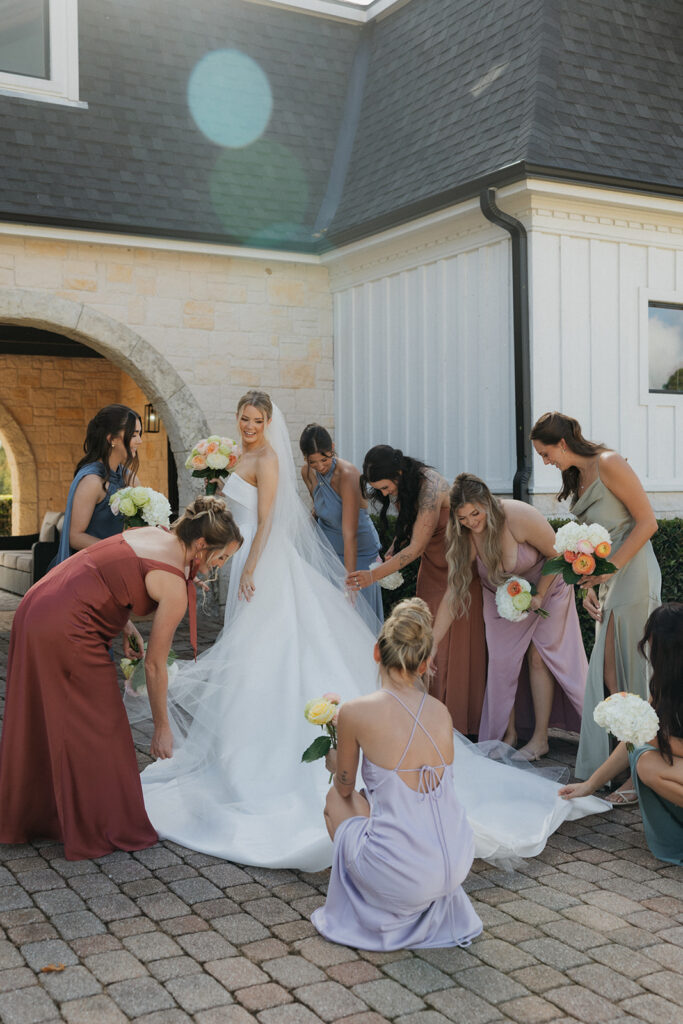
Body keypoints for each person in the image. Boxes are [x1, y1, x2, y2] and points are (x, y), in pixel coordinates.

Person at [136, 391, 382, 872]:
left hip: (263, 562)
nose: (249, 425)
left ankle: (270, 753)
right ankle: (237, 750)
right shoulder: (237, 454)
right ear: (238, 419)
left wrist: (251, 566)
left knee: (270, 648)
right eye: (244, 418)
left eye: (257, 419)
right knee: (251, 649)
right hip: (240, 556)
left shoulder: (267, 457)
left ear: (269, 421)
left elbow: (268, 518)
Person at [0, 496, 242, 861]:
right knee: (102, 726)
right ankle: (100, 824)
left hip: (39, 604)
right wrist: (162, 727)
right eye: (221, 559)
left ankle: (43, 814)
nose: (219, 568)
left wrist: (124, 623)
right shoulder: (175, 584)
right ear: (202, 546)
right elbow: (155, 666)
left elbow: (102, 571)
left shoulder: (154, 535)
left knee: (54, 719)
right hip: (66, 627)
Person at [311, 598, 483, 950]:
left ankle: (379, 910)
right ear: (425, 664)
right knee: (378, 804)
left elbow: (344, 790)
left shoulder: (356, 711)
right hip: (456, 862)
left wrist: (334, 762)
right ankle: (409, 892)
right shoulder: (441, 712)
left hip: (408, 875)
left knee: (333, 800)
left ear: (377, 652)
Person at [531, 412, 661, 793]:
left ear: (563, 444)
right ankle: (630, 757)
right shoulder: (578, 476)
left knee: (634, 670)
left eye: (545, 453)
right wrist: (590, 583)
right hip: (608, 577)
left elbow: (648, 522)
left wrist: (611, 569)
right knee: (609, 674)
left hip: (634, 572)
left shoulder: (608, 463)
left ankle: (641, 770)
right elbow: (597, 542)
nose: (546, 461)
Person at [433, 474, 587, 760]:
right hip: (500, 597)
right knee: (503, 663)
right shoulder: (465, 536)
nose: (471, 522)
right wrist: (432, 643)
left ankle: (541, 738)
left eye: (475, 513)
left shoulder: (518, 515)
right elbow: (453, 592)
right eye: (463, 517)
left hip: (548, 588)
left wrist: (539, 595)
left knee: (540, 658)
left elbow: (558, 555)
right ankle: (508, 733)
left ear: (488, 503)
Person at [352, 445, 486, 736]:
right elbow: (407, 533)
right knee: (424, 636)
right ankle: (424, 712)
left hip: (454, 567)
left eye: (386, 487)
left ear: (398, 473)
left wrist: (372, 575)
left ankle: (459, 722)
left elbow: (415, 547)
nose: (386, 494)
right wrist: (387, 555)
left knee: (451, 641)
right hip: (431, 568)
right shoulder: (407, 485)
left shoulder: (430, 486)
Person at [560, 604, 683, 865]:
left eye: (654, 643)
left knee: (647, 759)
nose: (649, 649)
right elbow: (633, 738)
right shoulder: (665, 683)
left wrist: (653, 738)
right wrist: (589, 785)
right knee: (645, 760)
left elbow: (643, 737)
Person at [299, 423, 382, 621]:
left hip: (358, 552)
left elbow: (349, 534)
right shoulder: (307, 473)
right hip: (329, 552)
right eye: (313, 462)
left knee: (357, 614)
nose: (319, 466)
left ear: (333, 448)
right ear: (305, 459)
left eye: (324, 459)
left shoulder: (347, 475)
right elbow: (319, 509)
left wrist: (350, 580)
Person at [51, 404, 143, 567]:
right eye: (134, 434)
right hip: (89, 569)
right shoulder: (92, 481)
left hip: (119, 564)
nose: (140, 441)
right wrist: (118, 551)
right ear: (112, 439)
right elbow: (75, 536)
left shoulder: (130, 479)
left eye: (139, 434)